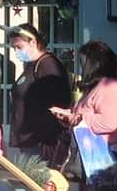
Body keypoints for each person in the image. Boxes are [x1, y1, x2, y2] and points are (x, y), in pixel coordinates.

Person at [54, 41, 117, 191]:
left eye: (83, 63)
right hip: (92, 155)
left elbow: (111, 122)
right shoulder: (98, 87)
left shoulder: (112, 86)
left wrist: (79, 119)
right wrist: (70, 117)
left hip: (106, 156)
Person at [8, 23, 71, 164]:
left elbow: (56, 102)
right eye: (14, 48)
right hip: (28, 140)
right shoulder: (32, 65)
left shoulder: (47, 65)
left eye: (19, 47)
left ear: (33, 42)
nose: (16, 51)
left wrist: (49, 138)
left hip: (40, 143)